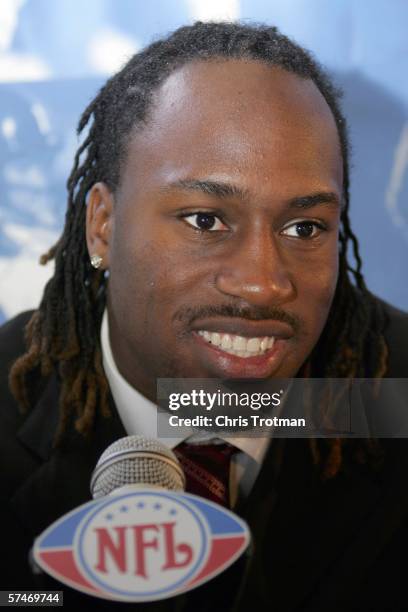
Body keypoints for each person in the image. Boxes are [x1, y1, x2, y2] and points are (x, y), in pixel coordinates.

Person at [1, 21, 408, 611]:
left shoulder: (392, 393)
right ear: (102, 225)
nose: (263, 282)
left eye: (304, 228)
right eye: (205, 220)